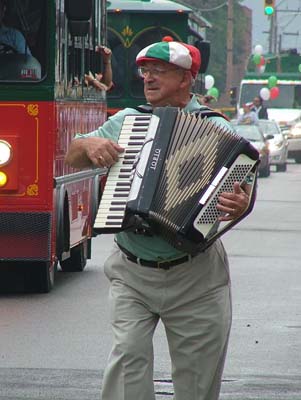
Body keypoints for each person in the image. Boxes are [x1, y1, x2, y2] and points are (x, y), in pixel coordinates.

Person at [65, 40, 255, 400]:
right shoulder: (128, 120)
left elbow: (244, 194)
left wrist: (239, 204)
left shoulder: (219, 129)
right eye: (144, 71)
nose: (147, 78)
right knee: (127, 364)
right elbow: (74, 153)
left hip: (196, 276)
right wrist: (89, 147)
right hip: (132, 271)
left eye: (158, 71)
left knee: (197, 384)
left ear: (186, 78)